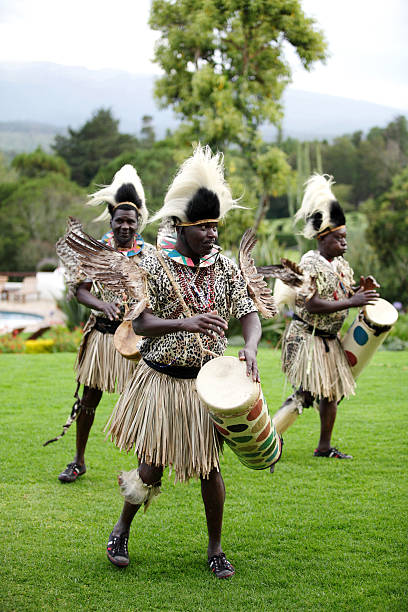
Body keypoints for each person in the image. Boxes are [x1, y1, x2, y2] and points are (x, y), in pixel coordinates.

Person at [104, 146, 262, 578]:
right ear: (180, 226)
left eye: (215, 226)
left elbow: (248, 312)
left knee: (210, 468)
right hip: (162, 383)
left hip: (206, 385)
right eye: (203, 227)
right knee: (150, 466)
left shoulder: (224, 268)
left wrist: (248, 346)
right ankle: (121, 528)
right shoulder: (153, 264)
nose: (212, 233)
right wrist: (186, 322)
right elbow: (140, 323)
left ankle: (215, 549)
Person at [55, 165, 152, 483]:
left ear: (138, 222)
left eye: (130, 221)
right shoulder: (97, 251)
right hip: (102, 338)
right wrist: (102, 304)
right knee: (89, 400)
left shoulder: (148, 255)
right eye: (119, 220)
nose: (125, 226)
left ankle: (145, 466)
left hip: (136, 342)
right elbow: (80, 292)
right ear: (111, 220)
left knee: (142, 401)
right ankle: (79, 460)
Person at [280, 174, 379, 459]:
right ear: (323, 237)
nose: (344, 244)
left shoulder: (341, 265)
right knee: (307, 394)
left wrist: (363, 290)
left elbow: (344, 293)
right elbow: (310, 304)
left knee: (331, 393)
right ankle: (269, 436)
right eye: (339, 239)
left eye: (345, 238)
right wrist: (353, 300)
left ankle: (324, 447)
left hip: (329, 339)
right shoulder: (309, 264)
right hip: (307, 336)